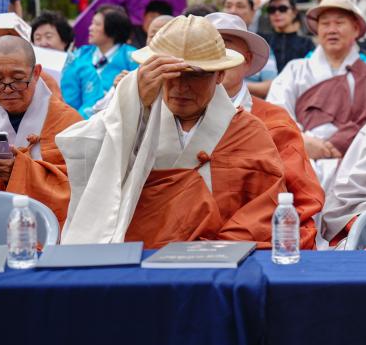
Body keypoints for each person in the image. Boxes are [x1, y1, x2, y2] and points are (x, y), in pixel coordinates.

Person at [56, 15, 289, 248]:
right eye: (169, 72)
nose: (180, 86)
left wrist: (223, 246)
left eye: (195, 74)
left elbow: (265, 206)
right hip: (141, 256)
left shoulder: (247, 132)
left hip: (222, 259)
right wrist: (135, 103)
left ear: (219, 75)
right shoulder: (135, 119)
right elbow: (86, 153)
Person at [206, 12, 324, 250]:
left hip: (258, 242)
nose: (218, 58)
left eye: (227, 46)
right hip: (185, 245)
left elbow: (302, 198)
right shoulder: (175, 116)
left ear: (248, 61)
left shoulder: (275, 121)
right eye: (209, 48)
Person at [266, 0, 366, 186]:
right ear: (317, 30)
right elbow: (275, 114)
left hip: (355, 167)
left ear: (356, 28)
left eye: (339, 23)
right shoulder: (295, 70)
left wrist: (334, 145)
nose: (332, 30)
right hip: (297, 161)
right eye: (325, 24)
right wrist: (301, 142)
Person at [0, 36, 82, 226]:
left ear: (36, 73)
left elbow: (82, 187)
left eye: (17, 79)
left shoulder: (67, 122)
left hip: (44, 234)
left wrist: (17, 171)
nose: (7, 89)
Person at [61, 5, 137, 118]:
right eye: (92, 23)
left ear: (112, 28)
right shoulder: (80, 54)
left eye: (97, 24)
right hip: (75, 118)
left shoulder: (132, 57)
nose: (90, 28)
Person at [262, 0, 314, 76]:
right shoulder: (262, 41)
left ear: (294, 12)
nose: (277, 13)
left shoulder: (307, 43)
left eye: (283, 9)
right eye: (271, 10)